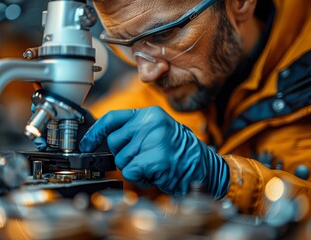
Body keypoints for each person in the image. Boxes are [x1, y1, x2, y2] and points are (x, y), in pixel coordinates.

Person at [78, 0, 311, 219]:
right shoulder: (171, 82)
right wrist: (85, 150)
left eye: (163, 34)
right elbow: (119, 111)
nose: (146, 74)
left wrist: (226, 182)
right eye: (126, 45)